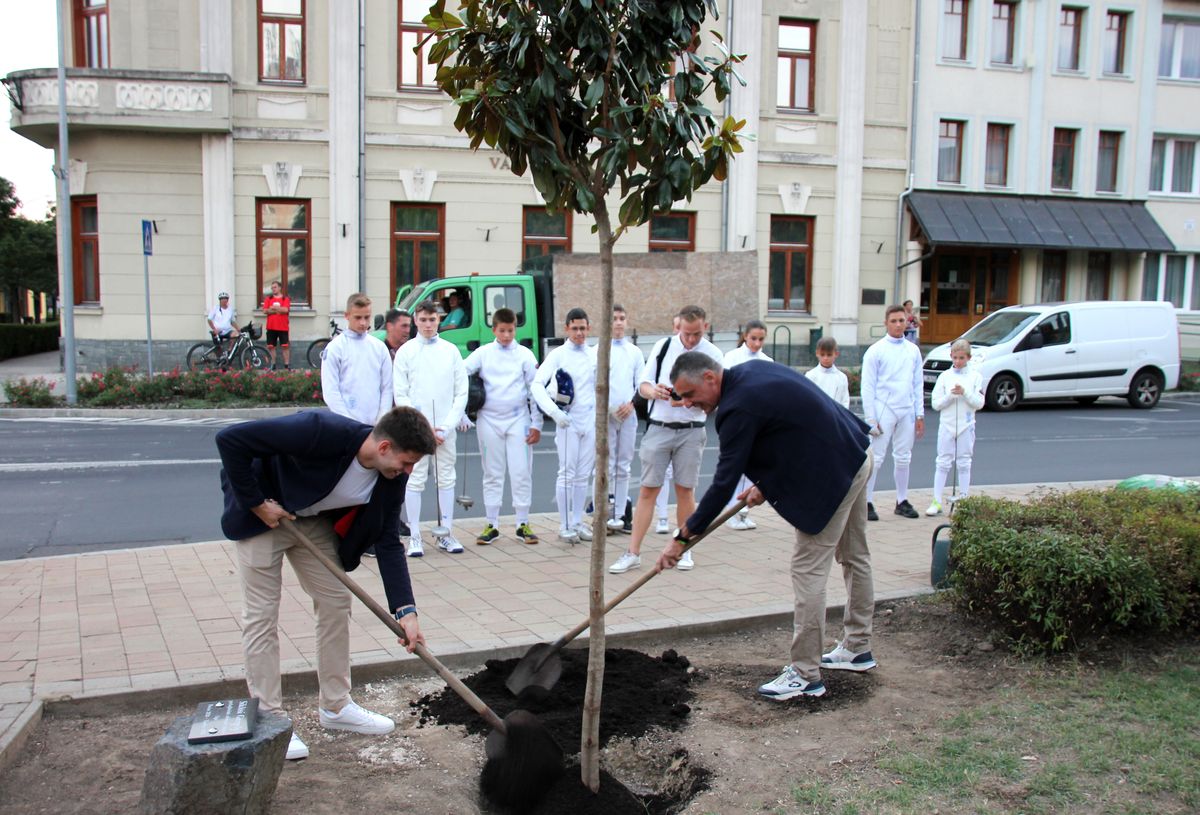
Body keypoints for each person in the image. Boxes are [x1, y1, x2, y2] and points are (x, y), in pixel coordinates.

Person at [215, 407, 437, 760]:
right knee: (262, 615)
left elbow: (387, 539)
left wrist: (406, 612)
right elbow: (230, 440)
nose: (408, 472)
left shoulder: (391, 477)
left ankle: (336, 706)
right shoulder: (319, 430)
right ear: (383, 448)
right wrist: (257, 504)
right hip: (264, 518)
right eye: (407, 462)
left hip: (311, 522)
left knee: (335, 600)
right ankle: (270, 719)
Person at [656, 352, 876, 699]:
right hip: (854, 452)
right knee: (855, 556)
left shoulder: (736, 408)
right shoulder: (749, 372)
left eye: (689, 394)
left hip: (834, 473)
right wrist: (766, 484)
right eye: (680, 397)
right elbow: (791, 430)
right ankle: (857, 648)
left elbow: (723, 483)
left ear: (711, 378)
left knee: (808, 570)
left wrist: (683, 536)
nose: (686, 404)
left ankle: (805, 675)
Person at [609, 305, 723, 574]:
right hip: (659, 426)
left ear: (705, 327)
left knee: (685, 490)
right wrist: (656, 392)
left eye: (696, 334)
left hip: (692, 428)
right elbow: (643, 385)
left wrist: (691, 401)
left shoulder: (714, 354)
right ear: (678, 327)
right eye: (686, 333)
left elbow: (719, 396)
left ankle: (685, 549)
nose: (691, 339)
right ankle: (632, 552)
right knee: (649, 489)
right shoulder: (663, 347)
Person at [393, 299, 469, 556]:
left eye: (432, 319)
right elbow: (400, 393)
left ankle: (445, 533)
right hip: (417, 431)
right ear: (415, 320)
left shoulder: (451, 351)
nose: (427, 324)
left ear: (439, 320)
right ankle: (415, 536)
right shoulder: (406, 352)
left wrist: (446, 427)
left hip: (444, 431)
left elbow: (461, 392)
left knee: (446, 478)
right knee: (414, 480)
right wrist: (420, 428)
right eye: (423, 320)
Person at [463, 307, 542, 545]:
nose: (507, 335)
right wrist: (462, 412)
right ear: (494, 329)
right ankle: (491, 524)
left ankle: (522, 523)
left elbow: (535, 391)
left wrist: (536, 423)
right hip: (489, 419)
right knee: (492, 472)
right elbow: (459, 373)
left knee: (521, 471)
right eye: (502, 331)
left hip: (518, 419)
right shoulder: (483, 353)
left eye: (510, 330)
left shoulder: (525, 355)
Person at [531, 308, 597, 543]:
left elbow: (599, 387)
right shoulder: (558, 355)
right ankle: (565, 524)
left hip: (589, 421)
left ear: (588, 328)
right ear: (567, 328)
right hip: (567, 421)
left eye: (583, 328)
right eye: (575, 328)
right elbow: (537, 385)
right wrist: (554, 413)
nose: (579, 333)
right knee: (567, 473)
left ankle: (578, 521)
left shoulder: (593, 355)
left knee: (582, 475)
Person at [860, 304, 925, 521]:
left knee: (904, 457)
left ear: (907, 322)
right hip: (883, 409)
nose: (898, 324)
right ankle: (867, 501)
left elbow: (917, 384)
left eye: (902, 320)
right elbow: (867, 386)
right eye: (894, 321)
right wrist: (871, 418)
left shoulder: (913, 350)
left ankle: (902, 500)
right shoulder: (876, 351)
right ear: (886, 323)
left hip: (905, 408)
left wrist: (919, 414)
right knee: (876, 458)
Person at [721, 320, 772, 531]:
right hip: (737, 416)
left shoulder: (767, 360)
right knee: (735, 464)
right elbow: (725, 386)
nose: (757, 343)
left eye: (761, 339)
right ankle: (732, 510)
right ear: (745, 337)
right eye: (753, 339)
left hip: (757, 418)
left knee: (751, 467)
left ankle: (743, 511)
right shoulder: (732, 358)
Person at [927, 339, 984, 516]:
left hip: (966, 424)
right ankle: (936, 500)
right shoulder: (945, 376)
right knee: (942, 462)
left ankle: (964, 500)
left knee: (964, 462)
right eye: (955, 357)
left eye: (961, 358)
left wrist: (965, 392)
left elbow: (979, 403)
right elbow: (936, 404)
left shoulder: (975, 377)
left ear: (968, 357)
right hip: (947, 425)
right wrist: (950, 396)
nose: (958, 361)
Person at [321, 293, 394, 426]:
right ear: (347, 316)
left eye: (366, 317)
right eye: (358, 317)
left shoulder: (379, 347)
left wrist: (381, 420)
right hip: (346, 426)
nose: (363, 323)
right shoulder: (335, 348)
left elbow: (387, 388)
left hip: (375, 426)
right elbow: (330, 391)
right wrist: (348, 423)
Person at [604, 304, 646, 533]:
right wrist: (609, 407)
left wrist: (631, 404)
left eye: (622, 318)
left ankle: (619, 514)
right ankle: (604, 512)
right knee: (606, 466)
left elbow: (641, 382)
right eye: (614, 319)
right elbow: (595, 384)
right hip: (607, 416)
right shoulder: (599, 349)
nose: (618, 323)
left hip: (628, 415)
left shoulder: (635, 352)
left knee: (623, 465)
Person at [805, 336, 851, 409]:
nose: (825, 358)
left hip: (836, 417)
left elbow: (845, 401)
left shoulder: (841, 378)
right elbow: (807, 399)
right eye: (822, 354)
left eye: (829, 355)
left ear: (836, 354)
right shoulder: (810, 376)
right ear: (817, 353)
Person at [262, 281, 291, 370]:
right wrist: (278, 310)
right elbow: (265, 311)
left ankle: (286, 366)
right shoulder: (268, 299)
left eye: (275, 287)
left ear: (279, 288)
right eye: (272, 288)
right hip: (271, 327)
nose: (273, 289)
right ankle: (273, 365)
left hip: (283, 327)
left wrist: (273, 308)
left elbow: (285, 310)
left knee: (285, 346)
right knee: (271, 346)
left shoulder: (285, 299)